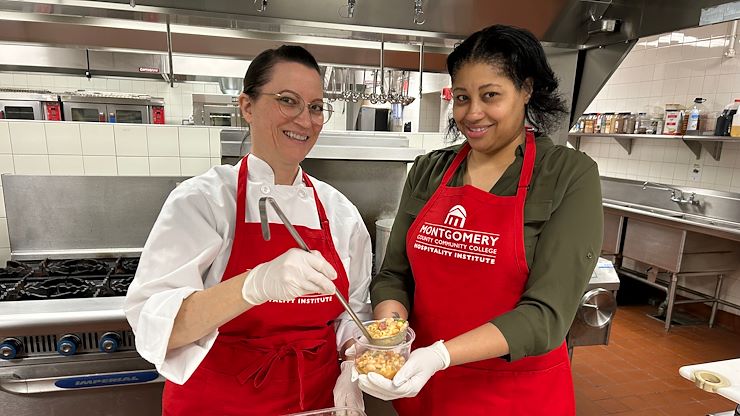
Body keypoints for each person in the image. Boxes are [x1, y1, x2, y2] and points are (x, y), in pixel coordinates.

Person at [359, 24, 603, 415]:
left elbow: (547, 316)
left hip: (515, 394)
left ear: (526, 89)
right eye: (461, 97)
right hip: (426, 390)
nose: (472, 113)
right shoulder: (429, 170)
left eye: (490, 96)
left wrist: (440, 355)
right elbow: (394, 276)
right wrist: (389, 339)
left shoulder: (567, 175)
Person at [124, 45, 370, 416]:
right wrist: (253, 285)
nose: (305, 120)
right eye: (288, 101)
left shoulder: (340, 212)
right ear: (247, 106)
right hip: (220, 403)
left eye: (316, 107)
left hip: (317, 403)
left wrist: (355, 360)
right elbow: (155, 328)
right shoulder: (203, 201)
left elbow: (352, 314)